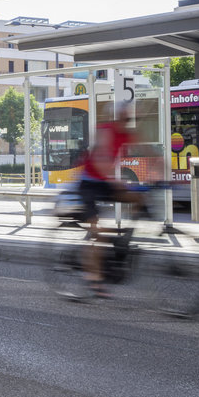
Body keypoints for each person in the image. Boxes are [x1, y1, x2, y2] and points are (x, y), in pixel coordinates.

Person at [77, 102, 142, 296]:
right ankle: (94, 280)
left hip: (104, 183)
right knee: (99, 233)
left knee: (139, 198)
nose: (127, 122)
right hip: (89, 183)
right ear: (116, 118)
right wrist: (115, 180)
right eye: (124, 118)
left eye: (129, 119)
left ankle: (124, 239)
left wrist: (163, 174)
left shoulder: (125, 134)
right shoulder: (106, 131)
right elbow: (100, 159)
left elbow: (146, 148)